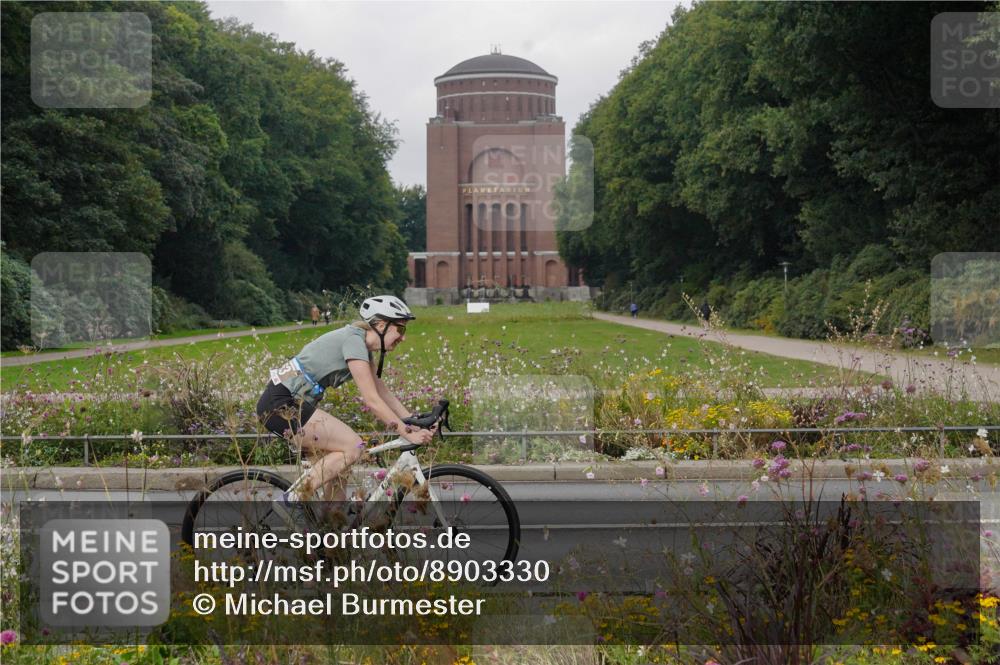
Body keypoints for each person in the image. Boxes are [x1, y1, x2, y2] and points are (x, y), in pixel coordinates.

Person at [256, 295, 435, 514]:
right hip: (281, 403)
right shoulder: (354, 342)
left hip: (292, 401)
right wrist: (407, 433)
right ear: (380, 325)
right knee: (352, 447)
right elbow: (372, 400)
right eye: (400, 329)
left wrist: (413, 421)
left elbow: (382, 391)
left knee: (341, 471)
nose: (403, 337)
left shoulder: (360, 344)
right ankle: (291, 500)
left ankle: (331, 536)